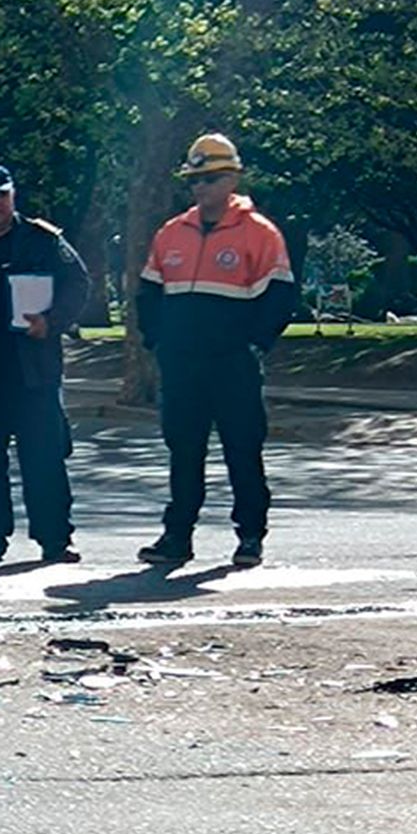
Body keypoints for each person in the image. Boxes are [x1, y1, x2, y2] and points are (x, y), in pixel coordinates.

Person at [136, 133, 296, 567]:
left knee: (242, 449)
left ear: (231, 180)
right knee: (183, 451)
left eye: (209, 178)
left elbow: (280, 297)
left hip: (232, 363)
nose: (200, 187)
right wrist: (156, 341)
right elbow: (148, 294)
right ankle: (177, 536)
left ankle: (250, 536)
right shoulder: (171, 233)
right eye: (194, 179)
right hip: (182, 362)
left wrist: (253, 343)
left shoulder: (259, 233)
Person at [0, 164, 89, 566]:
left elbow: (78, 283)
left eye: (3, 195)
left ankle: (55, 540)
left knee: (45, 457)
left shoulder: (40, 239)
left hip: (32, 369)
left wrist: (53, 321)